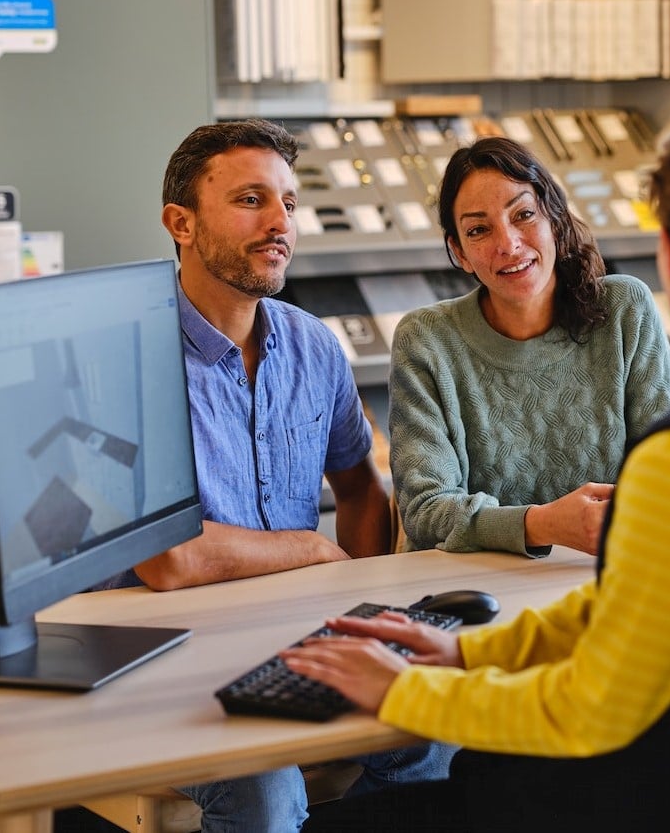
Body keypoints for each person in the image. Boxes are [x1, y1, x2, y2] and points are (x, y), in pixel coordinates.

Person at [282, 112, 670, 832]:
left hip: (644, 792)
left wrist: (403, 692)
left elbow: (586, 707)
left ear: (669, 254)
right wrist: (465, 649)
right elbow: (627, 602)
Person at [97, 119, 454, 832]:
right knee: (262, 793)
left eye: (288, 203)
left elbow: (360, 486)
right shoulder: (126, 355)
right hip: (163, 658)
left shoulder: (311, 345)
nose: (279, 223)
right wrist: (317, 551)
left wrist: (358, 609)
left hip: (290, 638)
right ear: (181, 223)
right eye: (251, 200)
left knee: (434, 731)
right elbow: (168, 558)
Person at [389, 136, 670, 557]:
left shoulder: (625, 311)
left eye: (523, 214)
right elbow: (424, 509)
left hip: (604, 575)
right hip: (469, 588)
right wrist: (545, 525)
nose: (507, 244)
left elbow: (669, 474)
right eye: (478, 230)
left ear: (555, 219)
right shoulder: (426, 340)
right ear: (460, 252)